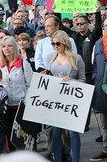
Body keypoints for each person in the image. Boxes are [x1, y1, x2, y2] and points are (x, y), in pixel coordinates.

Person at [45, 30, 85, 162]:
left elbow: (83, 80)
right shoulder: (51, 57)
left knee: (73, 133)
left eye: (58, 43)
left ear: (65, 43)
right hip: (55, 98)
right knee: (55, 132)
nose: (55, 46)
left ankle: (76, 159)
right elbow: (48, 76)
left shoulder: (76, 58)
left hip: (71, 99)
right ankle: (57, 159)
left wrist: (71, 81)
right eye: (53, 44)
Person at [0, 36, 33, 151]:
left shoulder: (23, 64)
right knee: (8, 137)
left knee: (21, 139)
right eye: (4, 46)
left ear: (15, 47)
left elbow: (31, 84)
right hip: (5, 107)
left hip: (20, 106)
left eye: (9, 46)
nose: (6, 49)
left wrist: (27, 101)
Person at [90, 18, 107, 161]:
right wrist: (96, 78)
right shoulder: (98, 44)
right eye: (106, 26)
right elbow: (94, 64)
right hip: (102, 89)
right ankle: (106, 149)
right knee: (104, 122)